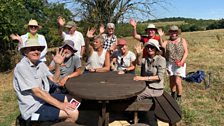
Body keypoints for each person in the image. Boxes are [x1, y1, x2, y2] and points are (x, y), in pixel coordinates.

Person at [13, 38, 79, 123]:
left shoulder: (40, 63)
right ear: (25, 52)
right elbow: (37, 92)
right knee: (73, 113)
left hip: (44, 99)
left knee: (74, 100)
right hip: (33, 108)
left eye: (39, 49)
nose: (36, 51)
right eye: (32, 49)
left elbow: (54, 80)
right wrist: (61, 105)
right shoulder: (22, 67)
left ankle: (59, 121)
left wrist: (58, 64)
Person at [159, 25, 188, 101]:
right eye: (171, 31)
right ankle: (173, 94)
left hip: (180, 64)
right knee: (172, 81)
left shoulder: (182, 40)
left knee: (177, 81)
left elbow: (186, 52)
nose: (173, 33)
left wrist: (181, 62)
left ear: (177, 32)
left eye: (175, 31)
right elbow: (162, 45)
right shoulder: (167, 41)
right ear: (170, 33)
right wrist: (160, 36)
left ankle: (179, 97)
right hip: (170, 63)